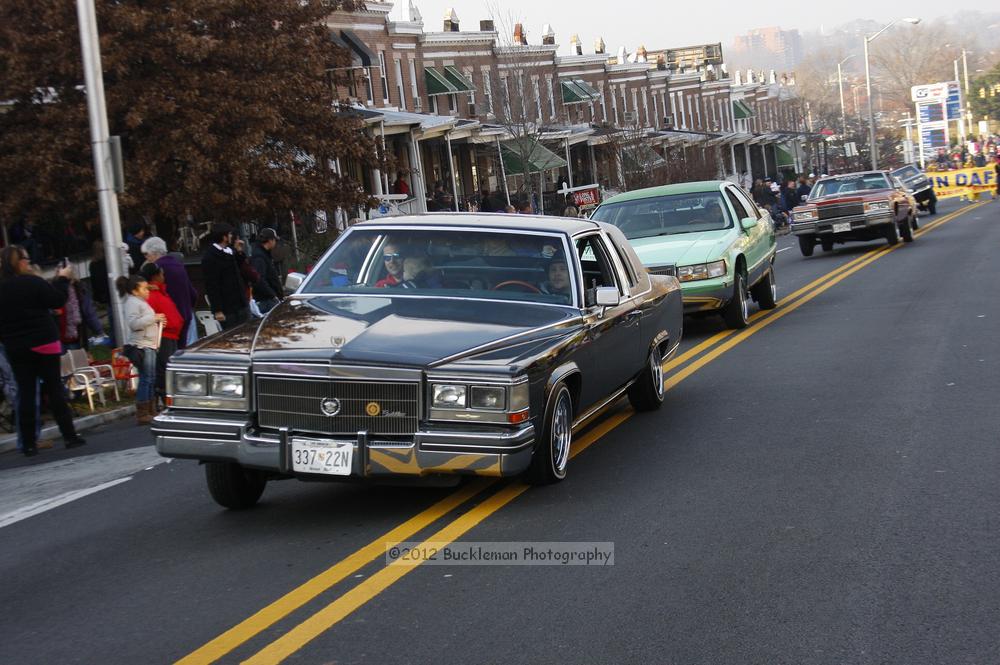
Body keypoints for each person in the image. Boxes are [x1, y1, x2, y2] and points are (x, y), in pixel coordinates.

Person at [0, 245, 87, 456]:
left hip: (16, 346)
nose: (29, 264)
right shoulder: (32, 282)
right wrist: (63, 278)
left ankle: (29, 443)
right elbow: (57, 299)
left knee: (26, 392)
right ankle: (69, 435)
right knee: (55, 389)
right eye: (27, 260)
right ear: (19, 262)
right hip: (44, 341)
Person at [117, 274, 165, 424]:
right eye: (144, 289)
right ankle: (143, 412)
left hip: (149, 344)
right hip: (142, 345)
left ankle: (150, 409)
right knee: (146, 378)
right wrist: (154, 318)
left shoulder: (138, 301)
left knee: (150, 378)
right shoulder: (133, 302)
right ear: (134, 291)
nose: (147, 291)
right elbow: (134, 323)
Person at [139, 263, 182, 410]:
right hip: (162, 334)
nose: (164, 277)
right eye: (162, 274)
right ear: (156, 275)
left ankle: (166, 394)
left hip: (170, 334)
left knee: (166, 366)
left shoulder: (160, 292)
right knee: (164, 367)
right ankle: (163, 395)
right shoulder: (151, 295)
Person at [142, 236, 198, 347]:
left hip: (167, 321)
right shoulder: (179, 265)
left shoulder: (157, 270)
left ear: (154, 253)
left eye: (146, 254)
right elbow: (192, 293)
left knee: (167, 353)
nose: (146, 258)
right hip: (185, 314)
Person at [201, 223, 250, 330]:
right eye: (229, 234)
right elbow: (211, 285)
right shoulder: (211, 256)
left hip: (240, 303)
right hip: (227, 307)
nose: (231, 236)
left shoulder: (230, 251)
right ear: (224, 237)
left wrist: (239, 252)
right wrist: (217, 310)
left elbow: (239, 267)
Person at [54, 265, 106, 350]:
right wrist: (99, 331)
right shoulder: (78, 290)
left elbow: (89, 313)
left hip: (68, 337)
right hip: (67, 337)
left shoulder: (78, 290)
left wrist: (98, 330)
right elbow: (89, 313)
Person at [249, 228, 284, 314]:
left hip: (269, 299)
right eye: (275, 240)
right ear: (270, 240)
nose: (276, 243)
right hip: (266, 301)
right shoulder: (259, 257)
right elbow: (259, 279)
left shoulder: (264, 255)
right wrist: (273, 295)